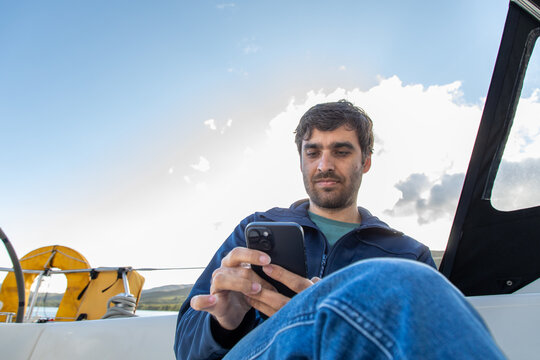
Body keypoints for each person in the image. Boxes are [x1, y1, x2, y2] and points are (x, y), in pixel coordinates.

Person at [174, 101, 502, 359]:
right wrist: (224, 325)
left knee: (409, 281)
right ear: (301, 160)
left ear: (366, 161)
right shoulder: (255, 228)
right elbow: (185, 349)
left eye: (341, 151)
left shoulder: (407, 254)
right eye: (313, 152)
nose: (324, 165)